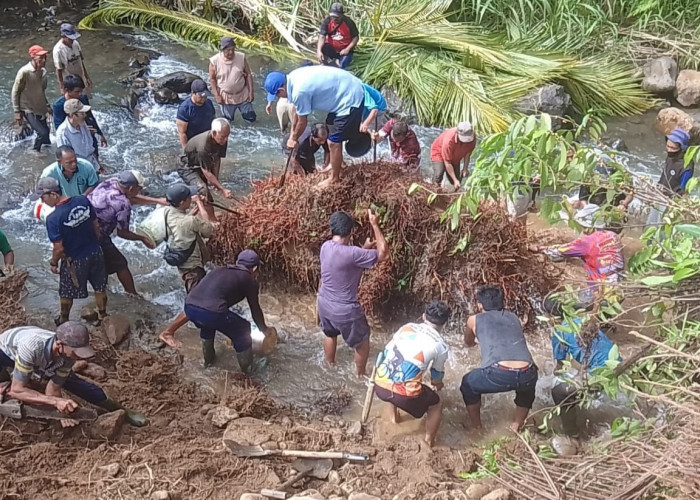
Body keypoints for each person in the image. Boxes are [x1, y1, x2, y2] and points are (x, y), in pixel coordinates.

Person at [0, 322, 145, 427]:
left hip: (40, 358)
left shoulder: (67, 355)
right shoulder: (30, 348)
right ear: (60, 345)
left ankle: (120, 409)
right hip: (6, 353)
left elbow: (54, 387)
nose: (78, 356)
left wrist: (60, 409)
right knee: (11, 385)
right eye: (75, 352)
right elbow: (17, 390)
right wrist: (56, 402)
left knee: (72, 381)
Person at [264, 66, 365, 186]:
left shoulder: (299, 92)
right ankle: (337, 162)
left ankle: (334, 178)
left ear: (281, 89)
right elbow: (296, 111)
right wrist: (292, 136)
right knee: (330, 126)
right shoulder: (292, 77)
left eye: (277, 95)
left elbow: (302, 122)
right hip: (345, 87)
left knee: (333, 141)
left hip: (350, 97)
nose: (278, 98)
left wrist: (294, 138)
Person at [318, 210, 389, 376]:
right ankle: (360, 376)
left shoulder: (325, 247)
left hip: (324, 303)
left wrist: (364, 248)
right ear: (351, 231)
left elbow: (346, 262)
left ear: (332, 229)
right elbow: (383, 254)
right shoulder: (353, 253)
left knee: (330, 334)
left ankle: (329, 367)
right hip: (345, 310)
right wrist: (374, 224)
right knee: (362, 341)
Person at [460, 285, 537, 432]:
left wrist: (477, 340)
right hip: (527, 373)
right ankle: (516, 426)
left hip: (498, 373)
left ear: (480, 305)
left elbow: (468, 343)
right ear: (503, 302)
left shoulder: (473, 319)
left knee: (467, 383)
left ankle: (477, 428)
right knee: (528, 383)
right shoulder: (513, 317)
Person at [374, 300, 450, 447]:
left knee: (392, 378)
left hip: (380, 385)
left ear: (423, 316)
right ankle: (429, 442)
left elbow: (386, 353)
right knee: (436, 404)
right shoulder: (441, 346)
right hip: (406, 396)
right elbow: (436, 377)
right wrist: (437, 385)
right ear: (444, 324)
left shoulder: (407, 327)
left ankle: (394, 421)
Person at [542, 297, 621, 437]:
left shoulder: (559, 334)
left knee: (558, 392)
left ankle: (572, 434)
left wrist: (544, 387)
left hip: (601, 374)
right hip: (618, 365)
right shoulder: (583, 322)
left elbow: (559, 369)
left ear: (551, 317)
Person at [184, 250, 276, 370]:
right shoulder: (249, 280)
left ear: (238, 262)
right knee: (243, 329)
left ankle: (208, 361)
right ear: (254, 269)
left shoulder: (219, 270)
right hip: (210, 312)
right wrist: (264, 329)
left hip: (189, 307)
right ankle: (249, 369)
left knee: (208, 325)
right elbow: (255, 310)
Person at [34, 177, 107, 325]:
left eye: (43, 197)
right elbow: (95, 225)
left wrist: (53, 263)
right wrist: (95, 243)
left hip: (75, 259)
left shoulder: (53, 218)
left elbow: (59, 248)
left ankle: (64, 319)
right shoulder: (82, 200)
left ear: (53, 194)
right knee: (100, 286)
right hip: (95, 252)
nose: (42, 201)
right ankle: (102, 315)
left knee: (66, 291)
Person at [158, 184, 216, 348]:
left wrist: (195, 207)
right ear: (183, 202)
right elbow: (209, 229)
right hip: (192, 267)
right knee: (196, 303)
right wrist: (200, 205)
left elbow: (184, 224)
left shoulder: (168, 212)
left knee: (197, 295)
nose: (192, 198)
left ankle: (200, 319)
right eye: (189, 198)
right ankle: (168, 332)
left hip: (181, 262)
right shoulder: (190, 221)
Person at [87, 171, 158, 297]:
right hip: (97, 236)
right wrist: (142, 238)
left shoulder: (110, 181)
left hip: (84, 227)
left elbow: (131, 198)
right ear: (131, 188)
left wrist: (158, 201)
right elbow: (122, 233)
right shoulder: (123, 205)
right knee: (121, 264)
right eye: (139, 189)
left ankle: (104, 289)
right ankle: (133, 294)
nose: (140, 191)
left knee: (100, 263)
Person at [530, 221, 624, 308]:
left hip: (602, 293)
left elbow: (559, 251)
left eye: (583, 226)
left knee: (550, 303)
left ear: (589, 227)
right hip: (620, 290)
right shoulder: (613, 236)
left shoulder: (587, 242)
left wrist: (538, 249)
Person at [177, 118, 233, 221]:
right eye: (223, 137)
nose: (226, 139)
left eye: (227, 136)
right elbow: (206, 171)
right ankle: (212, 220)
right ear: (214, 133)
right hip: (187, 167)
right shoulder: (203, 146)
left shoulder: (221, 140)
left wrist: (216, 179)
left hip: (200, 163)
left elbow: (217, 158)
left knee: (204, 195)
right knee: (203, 190)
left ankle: (200, 210)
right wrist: (222, 189)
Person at [644, 128, 695, 227]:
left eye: (673, 148)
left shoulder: (686, 167)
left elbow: (684, 192)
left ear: (682, 148)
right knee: (650, 226)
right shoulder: (670, 156)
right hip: (659, 195)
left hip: (670, 203)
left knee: (662, 229)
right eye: (668, 146)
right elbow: (664, 176)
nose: (669, 150)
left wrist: (677, 208)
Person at [11, 45, 51, 153]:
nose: (44, 60)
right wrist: (17, 111)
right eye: (41, 58)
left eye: (45, 57)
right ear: (33, 57)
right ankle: (34, 151)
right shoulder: (24, 72)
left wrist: (47, 105)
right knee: (42, 133)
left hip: (39, 107)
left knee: (47, 136)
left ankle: (48, 154)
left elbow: (42, 91)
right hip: (27, 108)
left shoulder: (43, 72)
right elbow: (15, 92)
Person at [52, 74, 107, 151]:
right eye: (77, 91)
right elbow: (58, 126)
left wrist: (100, 134)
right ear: (67, 90)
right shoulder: (58, 105)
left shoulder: (83, 98)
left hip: (87, 132)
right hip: (72, 137)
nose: (80, 94)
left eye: (81, 91)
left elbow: (89, 117)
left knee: (93, 149)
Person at [209, 37, 256, 124]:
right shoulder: (214, 61)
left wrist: (251, 92)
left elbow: (248, 74)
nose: (231, 52)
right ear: (222, 50)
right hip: (226, 98)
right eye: (228, 50)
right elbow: (212, 79)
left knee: (251, 120)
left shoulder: (241, 57)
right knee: (227, 122)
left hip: (243, 95)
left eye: (233, 49)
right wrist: (217, 96)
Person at [55, 99, 102, 173]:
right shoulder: (62, 133)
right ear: (72, 115)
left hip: (92, 165)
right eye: (82, 113)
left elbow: (89, 149)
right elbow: (65, 159)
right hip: (79, 170)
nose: (85, 115)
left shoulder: (82, 124)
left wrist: (98, 164)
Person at [431, 122, 477, 190]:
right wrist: (455, 180)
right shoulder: (449, 141)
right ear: (457, 133)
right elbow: (447, 163)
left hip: (455, 154)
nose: (466, 141)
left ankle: (453, 191)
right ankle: (434, 189)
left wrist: (465, 168)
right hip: (439, 152)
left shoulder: (472, 138)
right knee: (439, 173)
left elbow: (467, 154)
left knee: (456, 180)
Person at [316, 3, 359, 70]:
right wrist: (319, 51)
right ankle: (326, 64)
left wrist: (347, 49)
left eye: (337, 17)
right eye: (333, 16)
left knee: (342, 66)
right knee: (322, 50)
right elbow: (322, 36)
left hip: (344, 51)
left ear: (342, 15)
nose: (334, 19)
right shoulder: (327, 21)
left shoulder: (349, 23)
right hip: (332, 48)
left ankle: (338, 62)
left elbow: (356, 37)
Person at [176, 79, 216, 147]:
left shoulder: (209, 103)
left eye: (205, 96)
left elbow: (214, 120)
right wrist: (185, 149)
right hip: (193, 142)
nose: (203, 98)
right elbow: (182, 133)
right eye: (200, 96)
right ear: (193, 93)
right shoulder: (184, 108)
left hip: (207, 139)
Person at [52, 23, 92, 93]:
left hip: (81, 78)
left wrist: (87, 77)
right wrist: (62, 87)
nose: (72, 40)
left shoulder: (75, 43)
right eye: (70, 38)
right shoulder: (58, 50)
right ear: (63, 36)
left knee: (86, 96)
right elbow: (58, 70)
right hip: (70, 83)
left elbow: (81, 61)